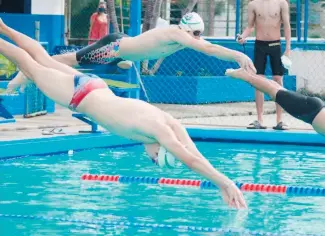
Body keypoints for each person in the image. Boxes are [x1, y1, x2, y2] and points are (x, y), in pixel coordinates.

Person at [0, 19, 247, 209]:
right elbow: (189, 159)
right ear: (161, 149)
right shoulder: (158, 132)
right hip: (81, 94)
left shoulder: (165, 120)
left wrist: (218, 176)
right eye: (154, 159)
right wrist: (224, 182)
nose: (149, 157)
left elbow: (191, 149)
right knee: (29, 63)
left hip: (95, 86)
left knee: (42, 59)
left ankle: (3, 27)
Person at [8, 12, 256, 92]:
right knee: (69, 60)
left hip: (123, 49)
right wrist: (239, 55)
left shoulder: (183, 37)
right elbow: (210, 49)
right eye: (198, 34)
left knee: (77, 61)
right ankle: (27, 68)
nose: (200, 39)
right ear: (190, 31)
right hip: (113, 48)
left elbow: (207, 46)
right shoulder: (177, 34)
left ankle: (31, 67)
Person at [236, 0, 291, 130]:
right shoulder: (253, 5)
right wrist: (242, 37)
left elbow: (287, 26)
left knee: (278, 80)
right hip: (260, 46)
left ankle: (279, 120)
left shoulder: (281, 3)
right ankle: (260, 120)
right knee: (258, 81)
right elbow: (250, 26)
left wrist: (288, 48)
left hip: (275, 45)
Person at [225, 68, 325, 135]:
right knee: (273, 91)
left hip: (312, 110)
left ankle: (246, 74)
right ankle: (243, 75)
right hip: (311, 111)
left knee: (275, 89)